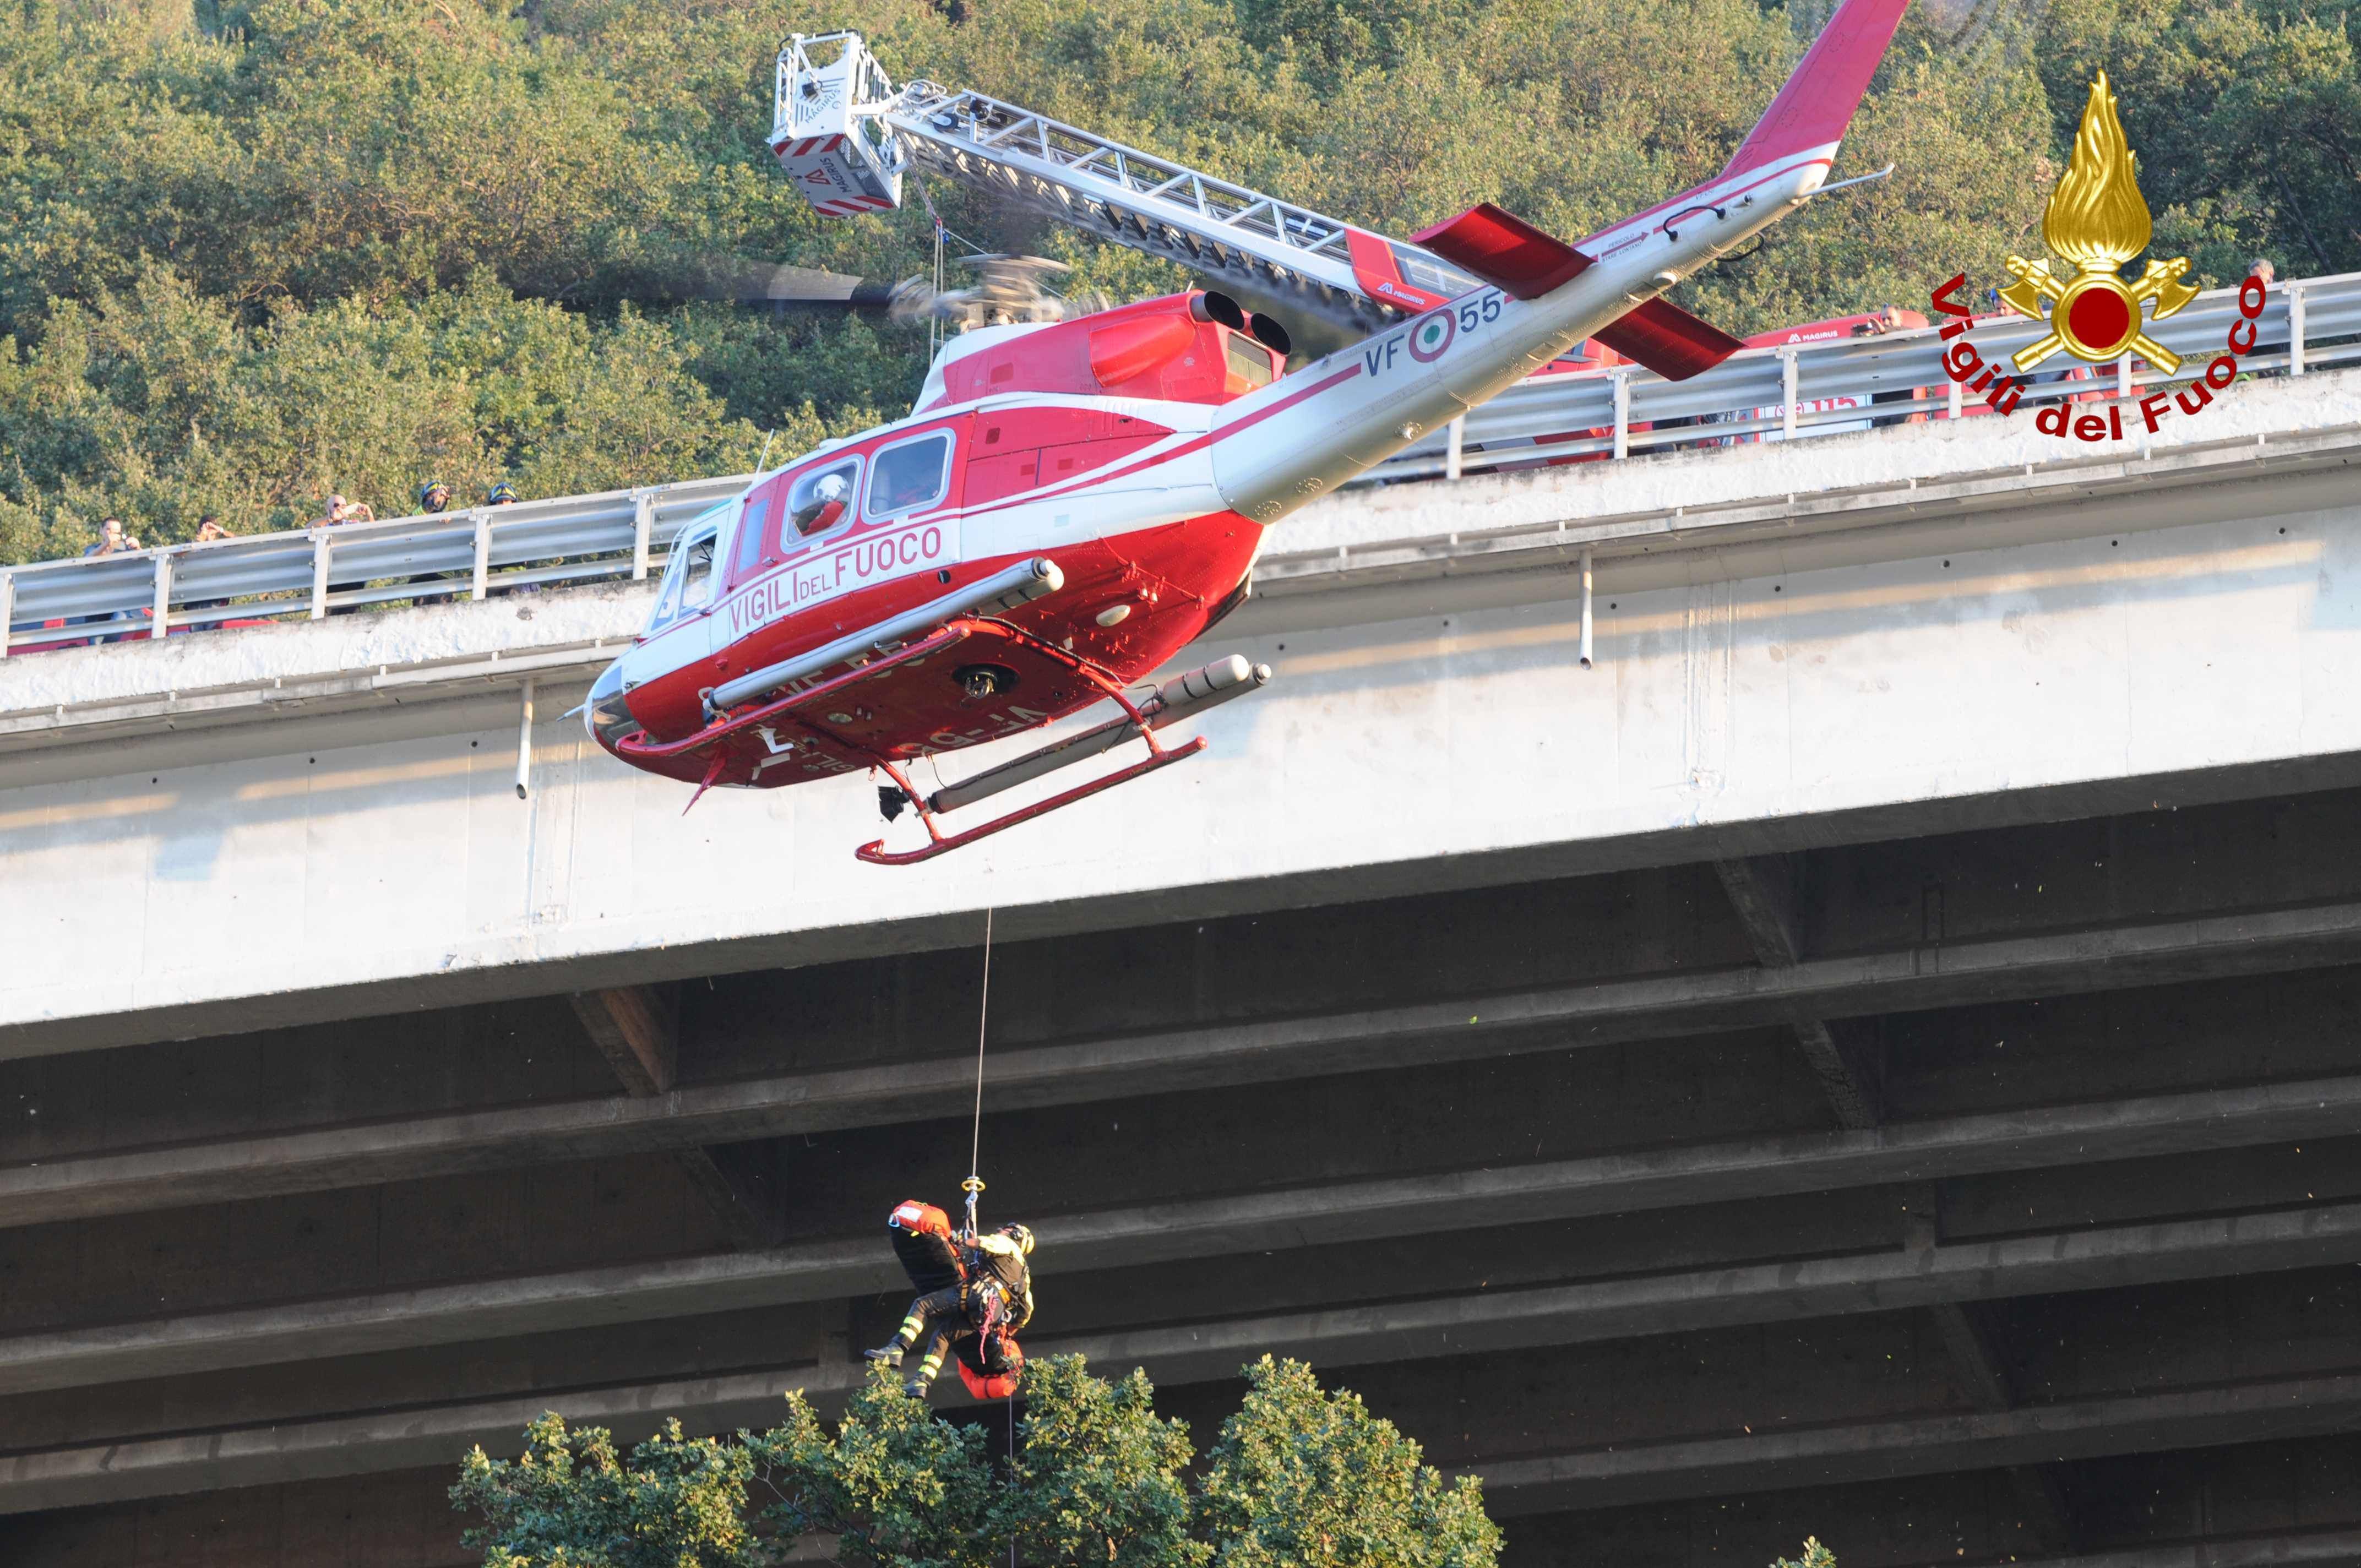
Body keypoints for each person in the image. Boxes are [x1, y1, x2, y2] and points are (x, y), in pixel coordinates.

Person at [865, 1201, 1035, 1398]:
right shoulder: (1024, 1276)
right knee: (944, 1334)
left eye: (1006, 1230)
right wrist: (1009, 1331)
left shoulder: (1008, 1245)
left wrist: (961, 1242)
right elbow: (1026, 1312)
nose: (1001, 1231)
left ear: (1016, 1236)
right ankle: (921, 1382)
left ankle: (897, 1349)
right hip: (987, 1317)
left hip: (978, 1295)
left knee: (923, 1305)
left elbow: (984, 1244)